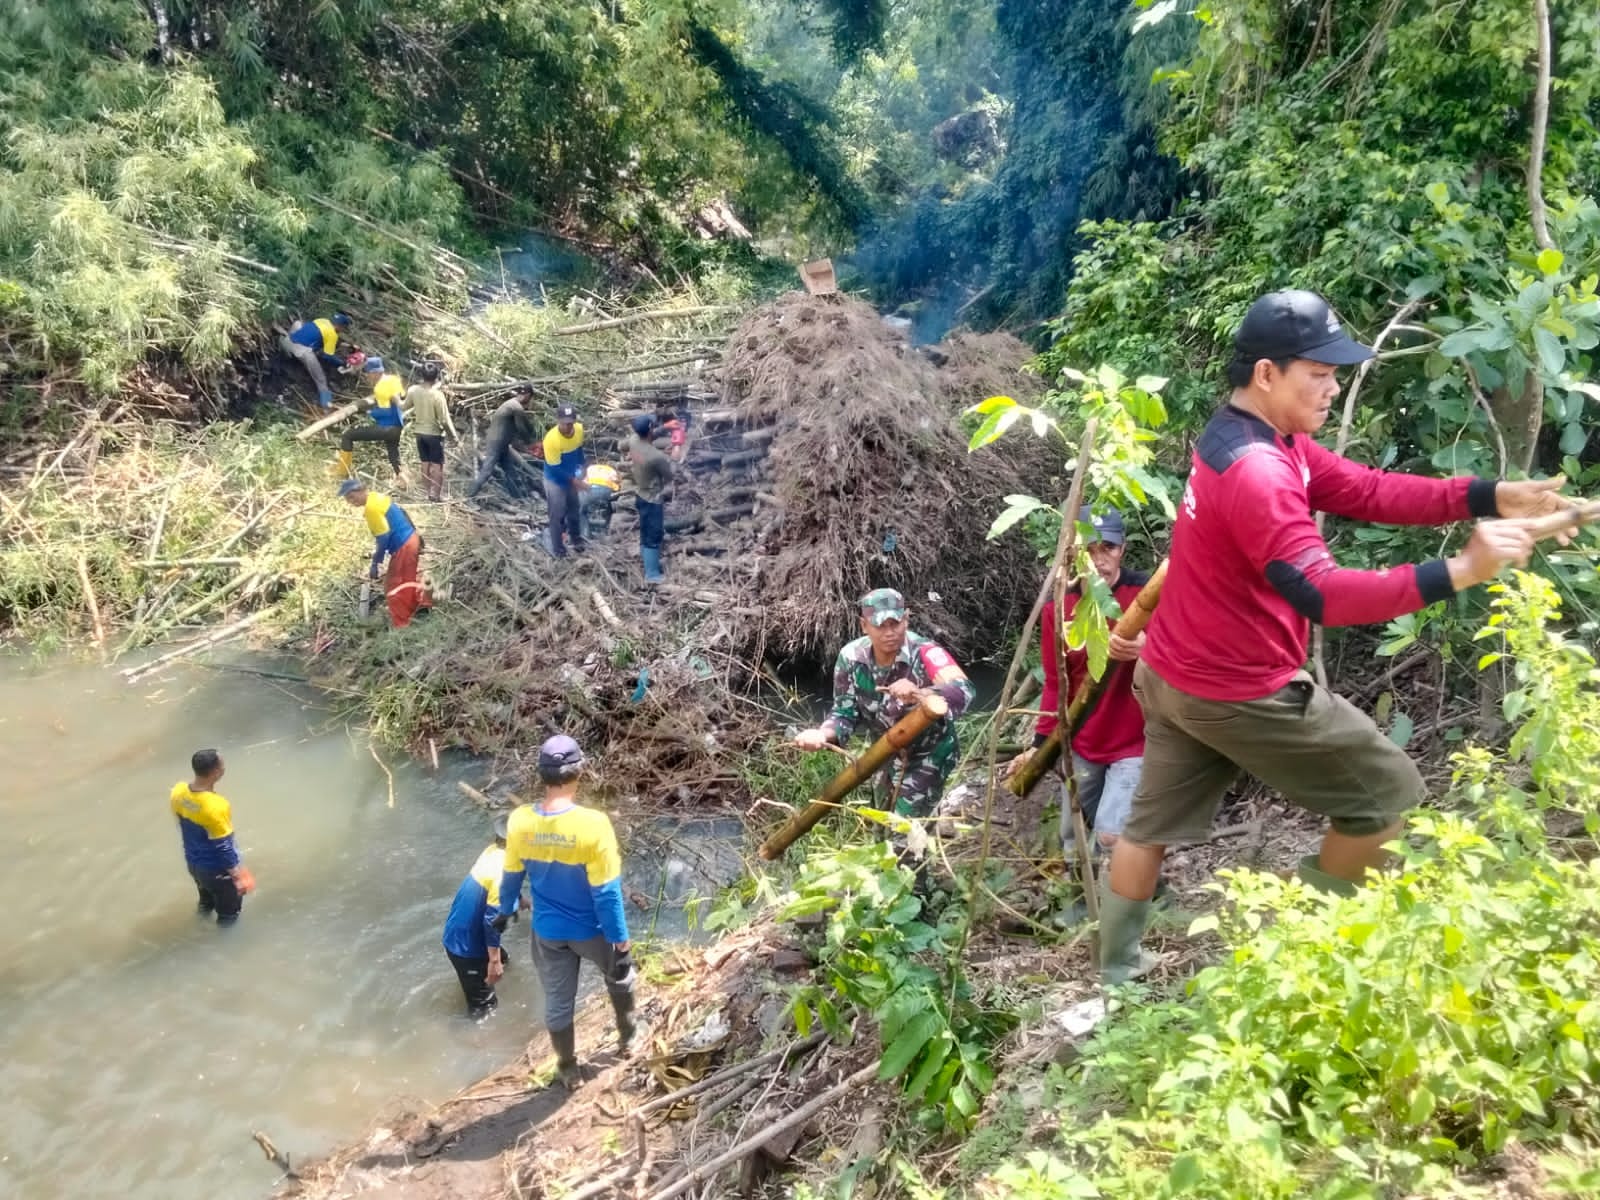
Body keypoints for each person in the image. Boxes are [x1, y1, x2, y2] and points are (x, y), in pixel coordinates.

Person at [1098, 289, 1573, 983]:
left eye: (1334, 373)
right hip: (1235, 687)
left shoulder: (1245, 436)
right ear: (1267, 373)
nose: (1333, 385)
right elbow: (1321, 592)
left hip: (1172, 673)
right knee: (1387, 795)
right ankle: (1308, 954)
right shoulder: (1261, 472)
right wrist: (1464, 568)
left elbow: (1368, 490)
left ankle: (1116, 983)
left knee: (1147, 828)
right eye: (1317, 374)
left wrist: (1489, 495)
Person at [488, 735, 636, 1087]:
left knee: (557, 999)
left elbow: (511, 876)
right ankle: (629, 1038)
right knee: (620, 976)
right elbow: (606, 894)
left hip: (549, 932)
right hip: (591, 930)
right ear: (578, 773)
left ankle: (568, 1068)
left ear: (541, 775)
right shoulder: (593, 824)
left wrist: (505, 910)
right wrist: (621, 940)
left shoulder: (520, 821)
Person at [1009, 507, 1150, 855]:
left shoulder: (1147, 594)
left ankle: (1126, 904)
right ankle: (1079, 905)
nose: (1100, 560)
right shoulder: (1059, 605)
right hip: (1083, 740)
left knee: (1110, 834)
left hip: (1136, 739)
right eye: (1090, 550)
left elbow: (1185, 652)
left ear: (1122, 549)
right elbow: (1057, 683)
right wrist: (1039, 745)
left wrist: (1149, 648)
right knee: (1072, 838)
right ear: (1074, 553)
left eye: (1108, 548)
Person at [794, 588, 976, 822]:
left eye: (895, 623)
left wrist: (921, 693)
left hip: (928, 755)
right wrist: (822, 734)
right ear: (864, 625)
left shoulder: (926, 652)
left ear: (906, 619)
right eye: (880, 626)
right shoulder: (851, 658)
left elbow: (964, 689)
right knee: (880, 827)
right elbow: (844, 712)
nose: (889, 633)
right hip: (883, 754)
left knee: (905, 832)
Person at [442, 816, 514, 1018]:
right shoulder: (504, 871)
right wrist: (493, 961)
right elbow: (492, 922)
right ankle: (474, 1040)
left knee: (505, 961)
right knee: (484, 1007)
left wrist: (520, 898)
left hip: (463, 931)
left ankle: (489, 968)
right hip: (465, 947)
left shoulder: (492, 852)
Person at [170, 748, 250, 926]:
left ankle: (198, 925)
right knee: (229, 917)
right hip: (217, 872)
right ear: (215, 772)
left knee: (206, 903)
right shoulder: (216, 806)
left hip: (194, 865)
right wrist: (238, 877)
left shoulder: (178, 791)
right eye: (222, 765)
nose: (224, 768)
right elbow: (223, 846)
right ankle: (225, 946)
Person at [339, 478, 430, 627]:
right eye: (347, 499)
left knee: (394, 585)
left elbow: (383, 537)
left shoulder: (371, 509)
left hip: (404, 545)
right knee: (409, 576)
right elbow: (402, 511)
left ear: (360, 491)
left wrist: (376, 562)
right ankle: (422, 605)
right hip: (410, 538)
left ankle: (403, 623)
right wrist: (417, 535)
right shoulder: (376, 497)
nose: (350, 501)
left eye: (351, 497)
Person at [336, 357, 405, 481]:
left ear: (376, 373)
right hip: (398, 427)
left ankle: (342, 473)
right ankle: (404, 479)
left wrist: (370, 412)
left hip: (386, 428)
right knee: (394, 456)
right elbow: (400, 397)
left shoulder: (380, 388)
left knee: (348, 435)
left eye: (369, 374)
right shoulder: (394, 380)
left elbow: (384, 411)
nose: (367, 377)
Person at [466, 394, 541, 500]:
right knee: (487, 470)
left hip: (502, 443)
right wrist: (531, 443)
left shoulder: (511, 405)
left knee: (510, 470)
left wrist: (527, 443)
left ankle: (518, 498)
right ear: (528, 396)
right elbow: (522, 429)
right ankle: (469, 494)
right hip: (497, 443)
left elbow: (518, 430)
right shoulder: (516, 407)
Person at [627, 414, 673, 583]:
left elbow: (648, 439)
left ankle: (646, 560)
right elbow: (669, 476)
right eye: (654, 427)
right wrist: (671, 456)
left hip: (640, 494)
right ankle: (652, 574)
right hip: (653, 499)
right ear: (650, 431)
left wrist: (666, 428)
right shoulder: (656, 457)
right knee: (653, 535)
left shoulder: (633, 440)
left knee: (645, 530)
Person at [406, 361, 458, 502]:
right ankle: (436, 495)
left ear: (422, 375)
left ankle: (427, 492)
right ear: (436, 377)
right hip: (434, 435)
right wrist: (453, 436)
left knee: (425, 463)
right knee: (437, 465)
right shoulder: (437, 395)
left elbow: (404, 406)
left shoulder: (413, 390)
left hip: (419, 433)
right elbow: (444, 420)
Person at [542, 402, 587, 557]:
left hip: (571, 476)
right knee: (557, 514)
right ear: (558, 421)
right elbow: (555, 469)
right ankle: (558, 550)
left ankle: (576, 539)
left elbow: (580, 450)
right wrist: (575, 481)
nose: (568, 427)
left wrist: (583, 467)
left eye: (571, 423)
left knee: (574, 510)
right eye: (565, 423)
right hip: (555, 480)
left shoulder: (579, 430)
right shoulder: (551, 440)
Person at [281, 312, 352, 408]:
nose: (342, 331)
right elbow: (327, 356)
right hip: (300, 350)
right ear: (340, 326)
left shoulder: (322, 321)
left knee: (299, 323)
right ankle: (326, 406)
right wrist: (341, 363)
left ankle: (284, 355)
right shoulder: (332, 334)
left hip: (286, 341)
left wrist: (349, 346)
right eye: (343, 328)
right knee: (321, 380)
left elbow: (318, 336)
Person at [581, 462, 622, 538]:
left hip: (591, 491)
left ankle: (585, 533)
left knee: (582, 510)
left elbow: (584, 482)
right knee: (610, 508)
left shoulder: (590, 468)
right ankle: (607, 529)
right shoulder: (611, 470)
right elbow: (617, 482)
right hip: (606, 492)